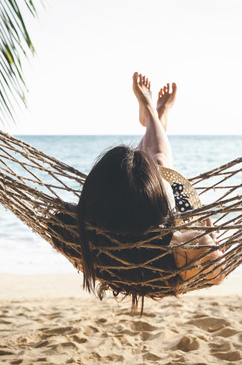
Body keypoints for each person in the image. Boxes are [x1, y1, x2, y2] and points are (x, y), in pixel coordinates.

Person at [75, 72, 224, 299]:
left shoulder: (88, 235)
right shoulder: (195, 243)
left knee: (142, 168)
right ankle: (152, 114)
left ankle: (154, 118)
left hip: (131, 229)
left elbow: (58, 227)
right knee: (159, 161)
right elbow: (217, 276)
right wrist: (210, 237)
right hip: (172, 225)